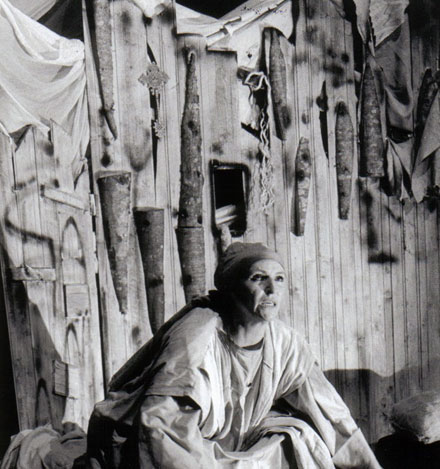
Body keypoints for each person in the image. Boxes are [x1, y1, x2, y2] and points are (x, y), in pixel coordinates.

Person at [86, 242, 382, 468]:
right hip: (152, 445)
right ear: (231, 288)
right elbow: (162, 428)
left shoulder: (284, 342)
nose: (271, 290)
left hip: (226, 444)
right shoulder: (198, 335)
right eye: (258, 278)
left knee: (299, 435)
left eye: (279, 279)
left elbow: (331, 414)